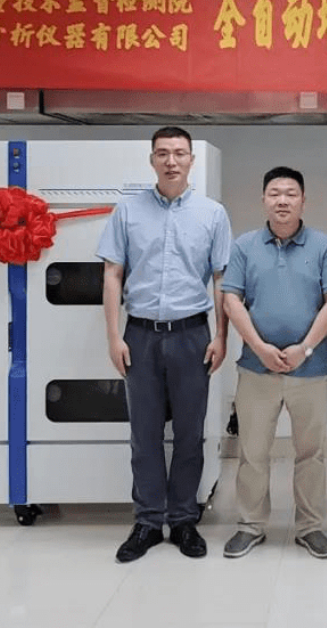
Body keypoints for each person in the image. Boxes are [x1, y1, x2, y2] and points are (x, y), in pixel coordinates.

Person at [96, 126, 231, 563]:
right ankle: (149, 521)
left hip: (192, 335)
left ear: (192, 159)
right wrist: (114, 336)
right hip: (140, 336)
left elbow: (222, 279)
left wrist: (221, 335)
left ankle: (185, 519)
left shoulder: (213, 214)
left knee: (190, 433)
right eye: (162, 153)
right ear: (151, 160)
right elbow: (112, 274)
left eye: (179, 153)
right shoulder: (127, 211)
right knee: (144, 433)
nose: (171, 161)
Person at [220, 166, 327, 560]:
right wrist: (259, 347)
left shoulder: (323, 246)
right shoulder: (244, 246)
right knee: (253, 452)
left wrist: (304, 348)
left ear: (303, 201)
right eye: (274, 193)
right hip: (256, 369)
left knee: (311, 453)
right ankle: (250, 525)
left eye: (291, 193)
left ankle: (310, 527)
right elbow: (231, 300)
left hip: (311, 369)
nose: (282, 200)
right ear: (263, 200)